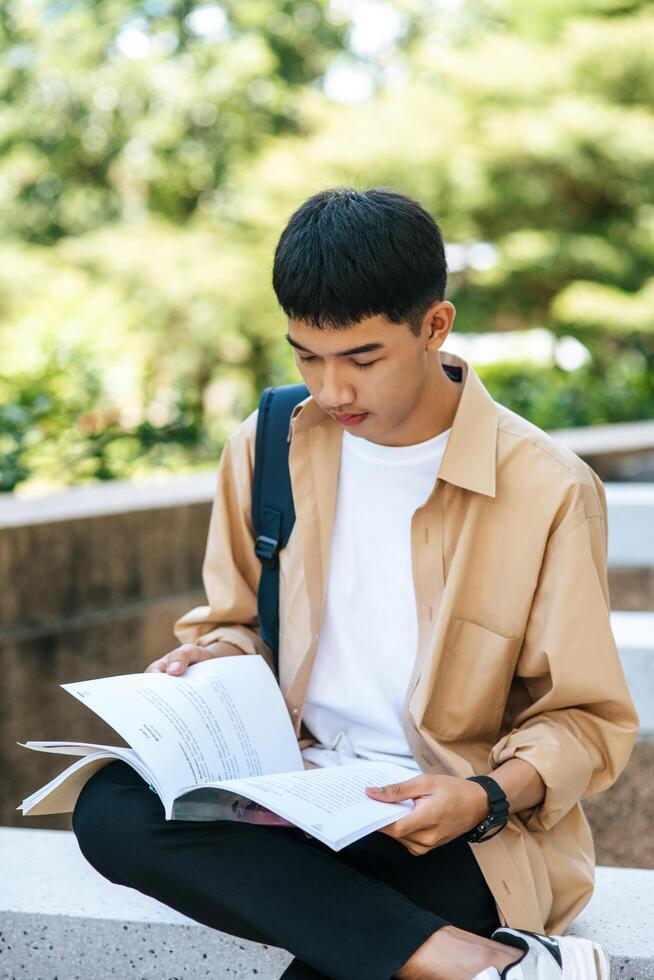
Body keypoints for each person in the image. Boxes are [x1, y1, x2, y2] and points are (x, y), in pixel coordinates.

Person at [72, 187, 639, 980]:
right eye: (307, 354)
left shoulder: (547, 487)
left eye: (362, 358)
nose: (332, 390)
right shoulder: (268, 444)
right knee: (112, 809)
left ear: (435, 326)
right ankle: (486, 964)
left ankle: (479, 951)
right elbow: (234, 621)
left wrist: (481, 797)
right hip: (297, 795)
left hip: (451, 828)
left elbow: (585, 719)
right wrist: (209, 662)